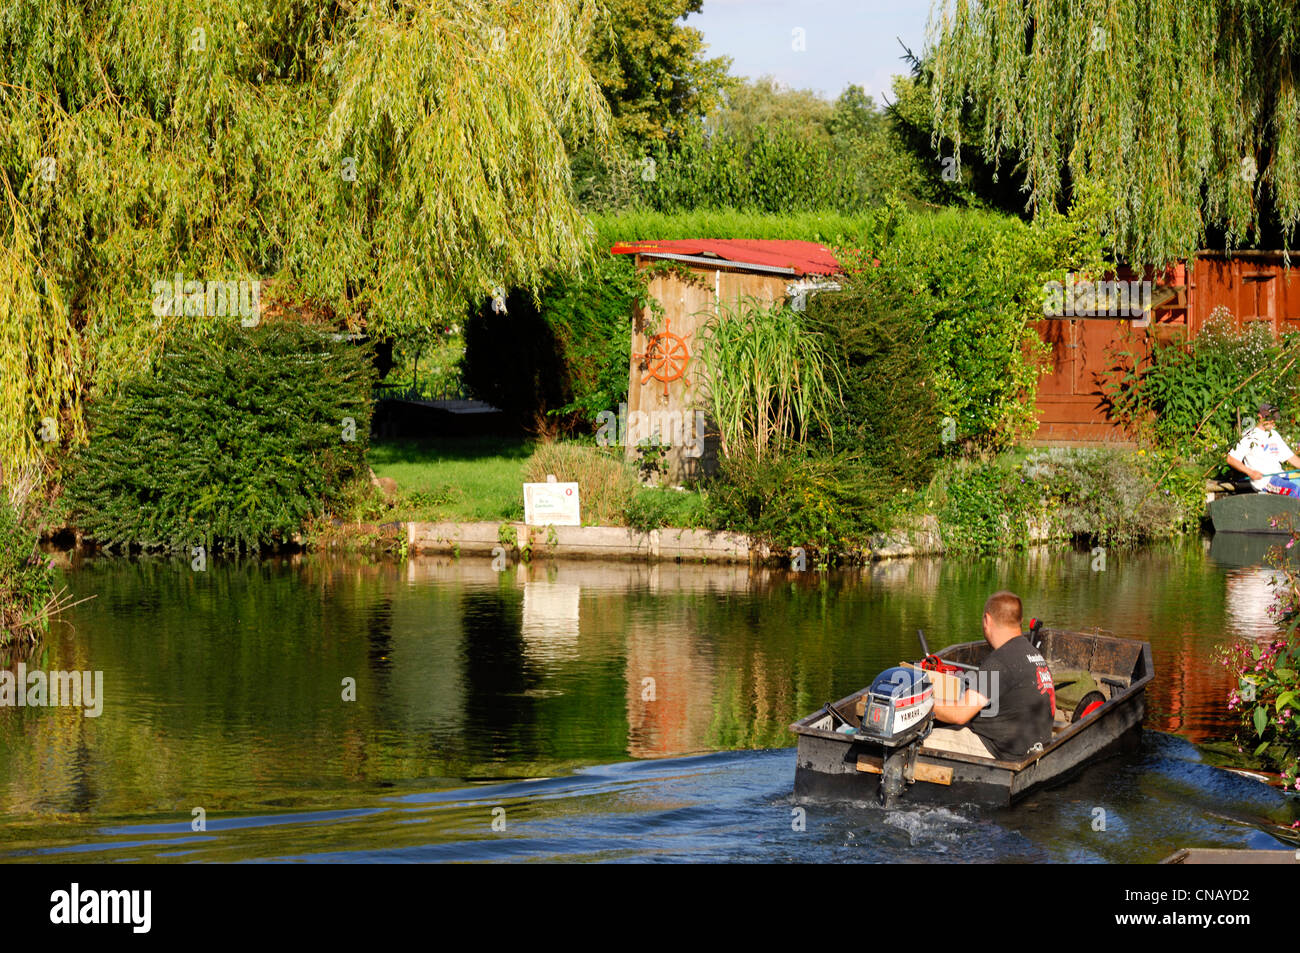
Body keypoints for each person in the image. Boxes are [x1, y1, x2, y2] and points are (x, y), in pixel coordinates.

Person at [925, 591, 1054, 760]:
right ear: (1020, 621)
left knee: (913, 742)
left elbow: (959, 714)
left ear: (987, 620)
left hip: (1000, 751)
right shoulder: (1033, 654)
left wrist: (922, 703)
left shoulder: (999, 662)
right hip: (1033, 746)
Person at [1225, 402, 1300, 495]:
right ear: (1260, 417)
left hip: (1281, 475)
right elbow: (1230, 459)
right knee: (1295, 490)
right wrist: (1251, 472)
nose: (1273, 421)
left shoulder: (1274, 434)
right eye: (1269, 418)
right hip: (1266, 481)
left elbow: (1291, 457)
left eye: (1274, 418)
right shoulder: (1249, 436)